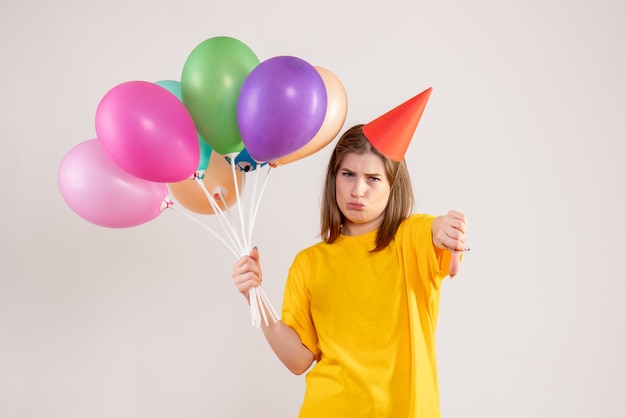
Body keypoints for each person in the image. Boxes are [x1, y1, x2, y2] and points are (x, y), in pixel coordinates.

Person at [232, 90, 469, 418]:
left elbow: (434, 231)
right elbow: (299, 360)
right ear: (334, 179)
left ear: (392, 186)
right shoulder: (309, 263)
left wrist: (448, 228)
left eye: (373, 178)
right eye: (348, 175)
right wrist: (254, 295)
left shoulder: (410, 238)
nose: (358, 190)